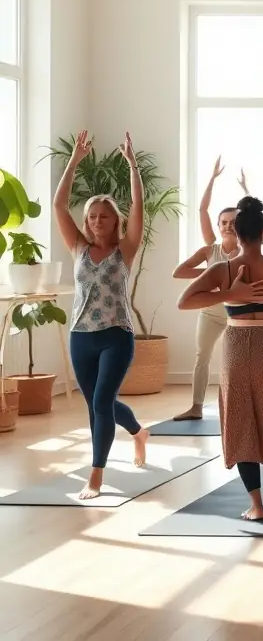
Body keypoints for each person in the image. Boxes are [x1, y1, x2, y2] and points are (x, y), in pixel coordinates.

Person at [178, 138, 263, 521]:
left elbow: (184, 301)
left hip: (237, 344)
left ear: (235, 232)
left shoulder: (224, 269)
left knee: (240, 416)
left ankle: (256, 504)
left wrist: (229, 291)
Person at [53, 130, 150, 500]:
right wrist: (74, 161)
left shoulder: (125, 250)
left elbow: (139, 207)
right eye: (91, 216)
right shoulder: (77, 246)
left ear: (115, 221)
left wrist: (132, 166)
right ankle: (138, 432)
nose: (95, 221)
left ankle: (96, 475)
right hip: (80, 336)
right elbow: (59, 205)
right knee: (99, 403)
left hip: (115, 335)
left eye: (103, 217)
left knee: (99, 404)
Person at [171, 158, 249, 420]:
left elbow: (254, 216)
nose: (228, 225)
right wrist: (212, 179)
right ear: (218, 226)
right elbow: (179, 271)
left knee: (237, 363)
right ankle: (196, 407)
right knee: (201, 357)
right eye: (223, 222)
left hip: (237, 315)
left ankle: (239, 407)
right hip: (210, 315)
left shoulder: (247, 251)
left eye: (233, 221)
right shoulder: (210, 250)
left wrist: (246, 190)